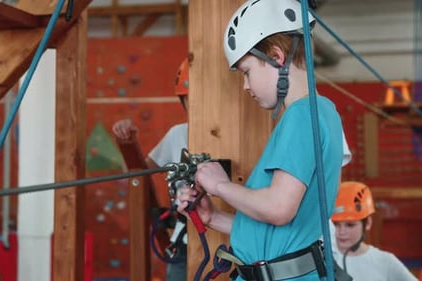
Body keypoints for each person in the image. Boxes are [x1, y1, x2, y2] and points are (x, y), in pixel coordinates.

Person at [176, 0, 345, 280]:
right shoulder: (322, 112)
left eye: (247, 72)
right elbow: (282, 235)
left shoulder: (302, 115)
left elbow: (278, 209)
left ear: (277, 57)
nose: (245, 86)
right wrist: (213, 218)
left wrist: (220, 185)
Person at [112, 58, 190, 281]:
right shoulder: (178, 135)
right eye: (189, 100)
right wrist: (128, 144)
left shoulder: (233, 139)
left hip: (228, 242)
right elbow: (137, 174)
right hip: (183, 244)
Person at [331, 181, 418, 281]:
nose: (341, 232)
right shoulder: (325, 261)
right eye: (336, 224)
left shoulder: (385, 262)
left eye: (350, 225)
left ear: (367, 223)